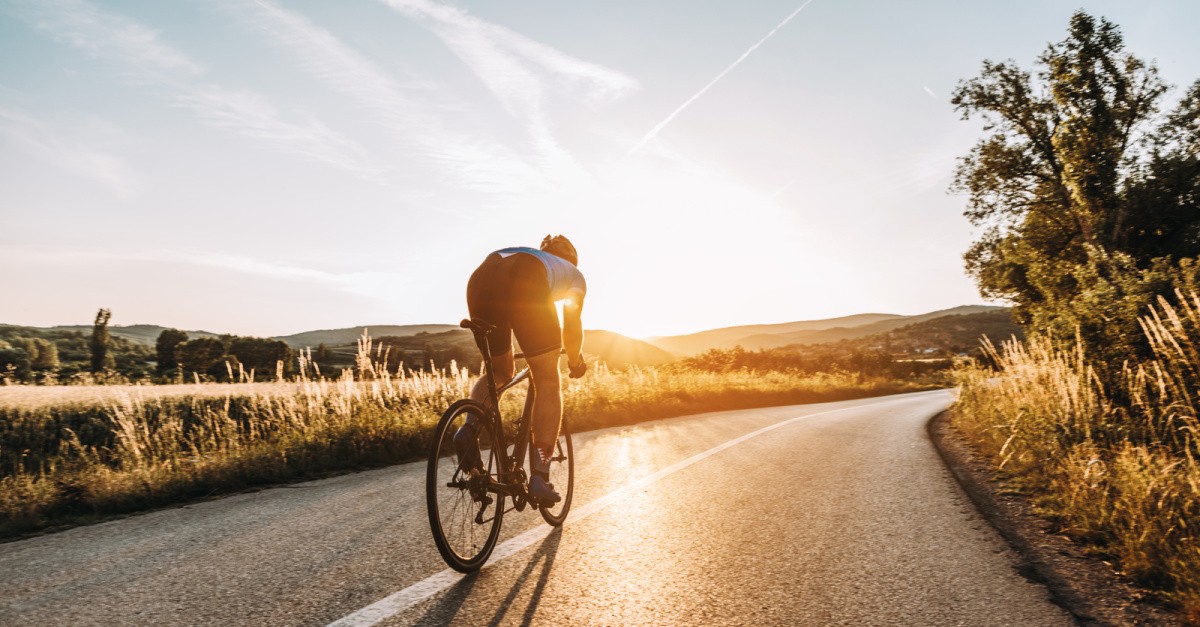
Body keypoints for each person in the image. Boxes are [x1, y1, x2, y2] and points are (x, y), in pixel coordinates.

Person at [455, 234, 587, 503]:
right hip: (527, 281)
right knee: (548, 381)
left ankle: (468, 430)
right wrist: (575, 361)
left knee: (500, 373)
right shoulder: (574, 274)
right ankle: (540, 475)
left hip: (481, 279)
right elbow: (571, 326)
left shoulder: (527, 253)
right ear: (571, 258)